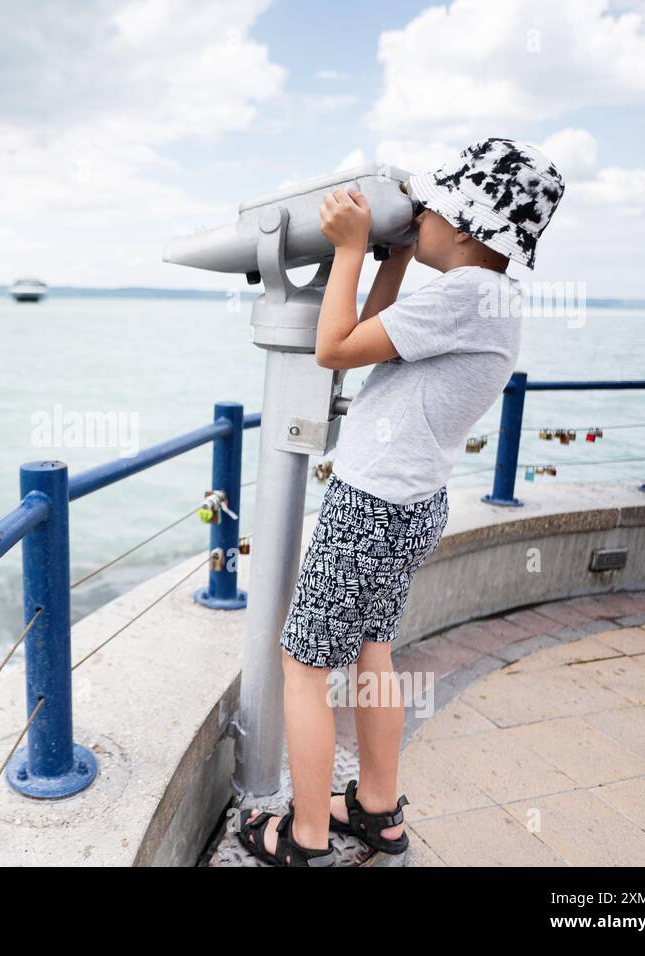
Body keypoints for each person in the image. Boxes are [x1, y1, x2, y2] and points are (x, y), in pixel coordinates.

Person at [237, 138, 565, 866]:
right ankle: (379, 812)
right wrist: (392, 261)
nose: (420, 217)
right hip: (412, 505)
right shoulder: (491, 296)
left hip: (368, 509)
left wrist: (350, 247)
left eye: (435, 209)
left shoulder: (465, 294)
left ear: (471, 230)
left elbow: (331, 349)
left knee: (304, 668)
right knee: (371, 651)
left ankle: (307, 837)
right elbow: (365, 339)